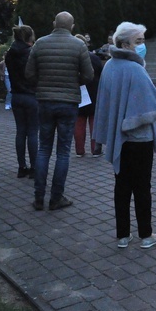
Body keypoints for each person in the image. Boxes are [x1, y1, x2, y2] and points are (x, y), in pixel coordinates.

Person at [93, 22, 156, 250]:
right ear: (125, 44)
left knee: (121, 186)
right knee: (142, 187)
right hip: (139, 138)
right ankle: (146, 234)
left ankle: (123, 235)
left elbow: (104, 104)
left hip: (118, 138)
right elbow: (155, 106)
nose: (142, 46)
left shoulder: (109, 67)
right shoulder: (135, 69)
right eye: (139, 42)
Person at [25, 12, 94, 211]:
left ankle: (39, 197)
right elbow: (89, 75)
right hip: (68, 102)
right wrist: (73, 82)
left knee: (43, 149)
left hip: (45, 101)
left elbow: (29, 73)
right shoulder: (79, 45)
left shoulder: (40, 43)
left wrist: (43, 84)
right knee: (63, 151)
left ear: (54, 23)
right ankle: (56, 198)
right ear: (72, 27)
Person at [5, 25, 38, 179]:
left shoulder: (10, 54)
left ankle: (21, 166)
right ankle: (34, 167)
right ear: (29, 36)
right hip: (31, 95)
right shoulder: (31, 53)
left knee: (20, 131)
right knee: (32, 132)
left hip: (16, 95)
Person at [74, 34, 104, 158]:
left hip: (79, 93)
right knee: (94, 122)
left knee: (79, 123)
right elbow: (101, 74)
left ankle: (80, 150)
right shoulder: (94, 58)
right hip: (94, 93)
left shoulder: (72, 59)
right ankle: (96, 149)